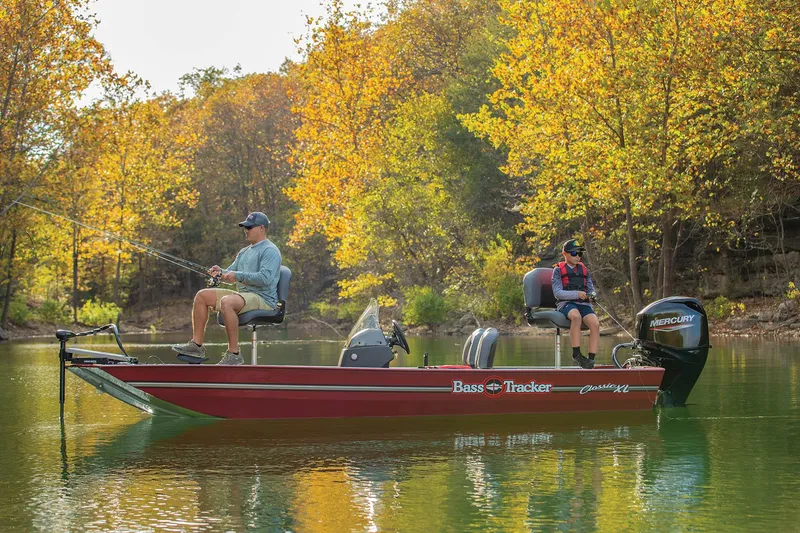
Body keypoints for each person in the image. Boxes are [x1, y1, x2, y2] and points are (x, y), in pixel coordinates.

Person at [172, 212, 282, 365]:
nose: (246, 230)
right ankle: (196, 346)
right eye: (245, 227)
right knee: (202, 296)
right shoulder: (244, 252)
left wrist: (237, 275)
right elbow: (231, 273)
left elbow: (265, 278)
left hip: (264, 299)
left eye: (249, 227)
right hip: (245, 296)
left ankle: (234, 353)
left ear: (262, 228)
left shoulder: (270, 251)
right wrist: (220, 272)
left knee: (227, 302)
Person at [551, 239, 600, 369]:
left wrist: (592, 295)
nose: (578, 256)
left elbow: (590, 288)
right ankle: (576, 354)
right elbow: (558, 293)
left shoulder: (584, 270)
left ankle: (590, 360)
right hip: (566, 303)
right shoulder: (557, 270)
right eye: (574, 253)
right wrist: (576, 294)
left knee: (595, 323)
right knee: (576, 316)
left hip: (583, 304)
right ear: (564, 254)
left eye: (580, 253)